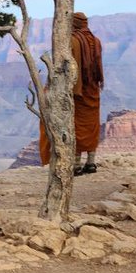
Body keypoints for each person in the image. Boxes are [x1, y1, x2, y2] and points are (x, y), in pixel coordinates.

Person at [39, 12, 104, 175]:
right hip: (93, 90)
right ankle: (91, 162)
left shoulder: (71, 41)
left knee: (74, 125)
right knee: (91, 126)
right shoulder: (96, 41)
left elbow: (64, 67)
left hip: (76, 91)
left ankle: (75, 165)